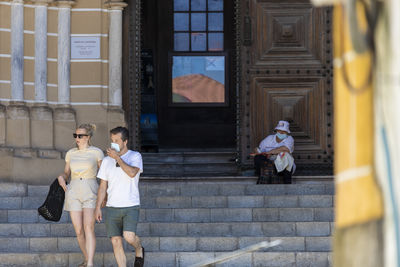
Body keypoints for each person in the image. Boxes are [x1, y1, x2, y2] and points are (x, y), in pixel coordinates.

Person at [94, 126, 145, 267]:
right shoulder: (106, 161)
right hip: (112, 207)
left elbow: (132, 173)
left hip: (130, 205)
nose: (113, 143)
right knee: (116, 241)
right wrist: (98, 207)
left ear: (125, 141)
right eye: (112, 140)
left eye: (117, 140)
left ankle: (139, 248)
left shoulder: (135, 156)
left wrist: (118, 158)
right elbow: (103, 186)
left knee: (129, 237)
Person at [57, 124, 104, 267]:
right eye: (75, 135)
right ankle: (86, 258)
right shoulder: (71, 153)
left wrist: (104, 195)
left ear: (88, 137)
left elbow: (104, 176)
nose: (77, 138)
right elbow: (66, 173)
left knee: (88, 227)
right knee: (78, 230)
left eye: (80, 136)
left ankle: (89, 263)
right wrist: (61, 177)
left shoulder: (97, 152)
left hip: (91, 188)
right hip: (74, 190)